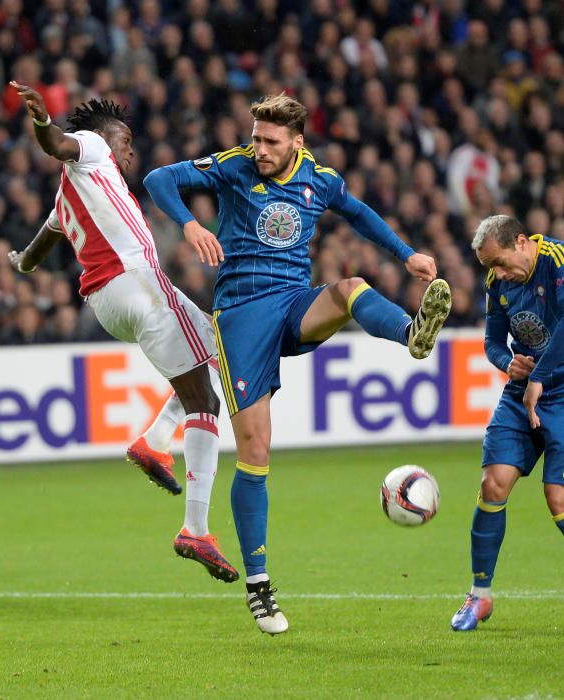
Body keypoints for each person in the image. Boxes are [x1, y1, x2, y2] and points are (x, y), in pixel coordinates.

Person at [144, 93, 452, 635]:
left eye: (270, 141)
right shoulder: (233, 165)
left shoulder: (320, 178)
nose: (259, 148)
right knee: (256, 451)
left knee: (350, 288)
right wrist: (191, 226)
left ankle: (411, 335)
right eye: (257, 137)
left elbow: (359, 215)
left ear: (297, 142)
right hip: (239, 315)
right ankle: (259, 587)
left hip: (291, 302)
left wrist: (406, 255)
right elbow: (157, 180)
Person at [7, 81, 238, 584]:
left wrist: (22, 264)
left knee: (225, 346)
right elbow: (57, 145)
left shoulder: (71, 195)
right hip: (136, 285)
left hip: (114, 301)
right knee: (206, 404)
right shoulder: (90, 150)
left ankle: (155, 439)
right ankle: (195, 529)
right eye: (125, 139)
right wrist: (43, 121)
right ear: (104, 137)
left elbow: (41, 245)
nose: (130, 149)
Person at [451, 214, 564, 631]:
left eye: (499, 262)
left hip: (563, 391)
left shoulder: (557, 262)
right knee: (492, 484)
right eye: (489, 268)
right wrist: (509, 364)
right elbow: (493, 342)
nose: (496, 273)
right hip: (522, 394)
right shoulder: (498, 283)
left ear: (521, 241)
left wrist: (538, 377)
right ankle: (479, 596)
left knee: (558, 500)